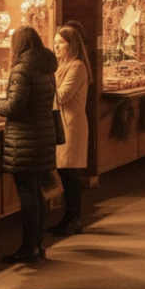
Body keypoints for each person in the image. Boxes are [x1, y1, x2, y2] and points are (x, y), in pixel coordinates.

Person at [0, 26, 58, 263]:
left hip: (25, 138)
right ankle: (37, 243)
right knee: (36, 193)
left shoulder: (22, 69)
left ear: (17, 45)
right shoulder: (46, 68)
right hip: (42, 135)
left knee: (28, 195)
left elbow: (15, 107)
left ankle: (29, 247)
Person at [48, 26, 92, 237]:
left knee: (70, 172)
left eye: (61, 42)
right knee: (65, 172)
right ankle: (69, 217)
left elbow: (63, 95)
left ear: (72, 45)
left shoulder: (77, 66)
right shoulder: (61, 66)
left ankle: (74, 218)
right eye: (55, 42)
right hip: (62, 122)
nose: (56, 46)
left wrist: (41, 87)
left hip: (71, 124)